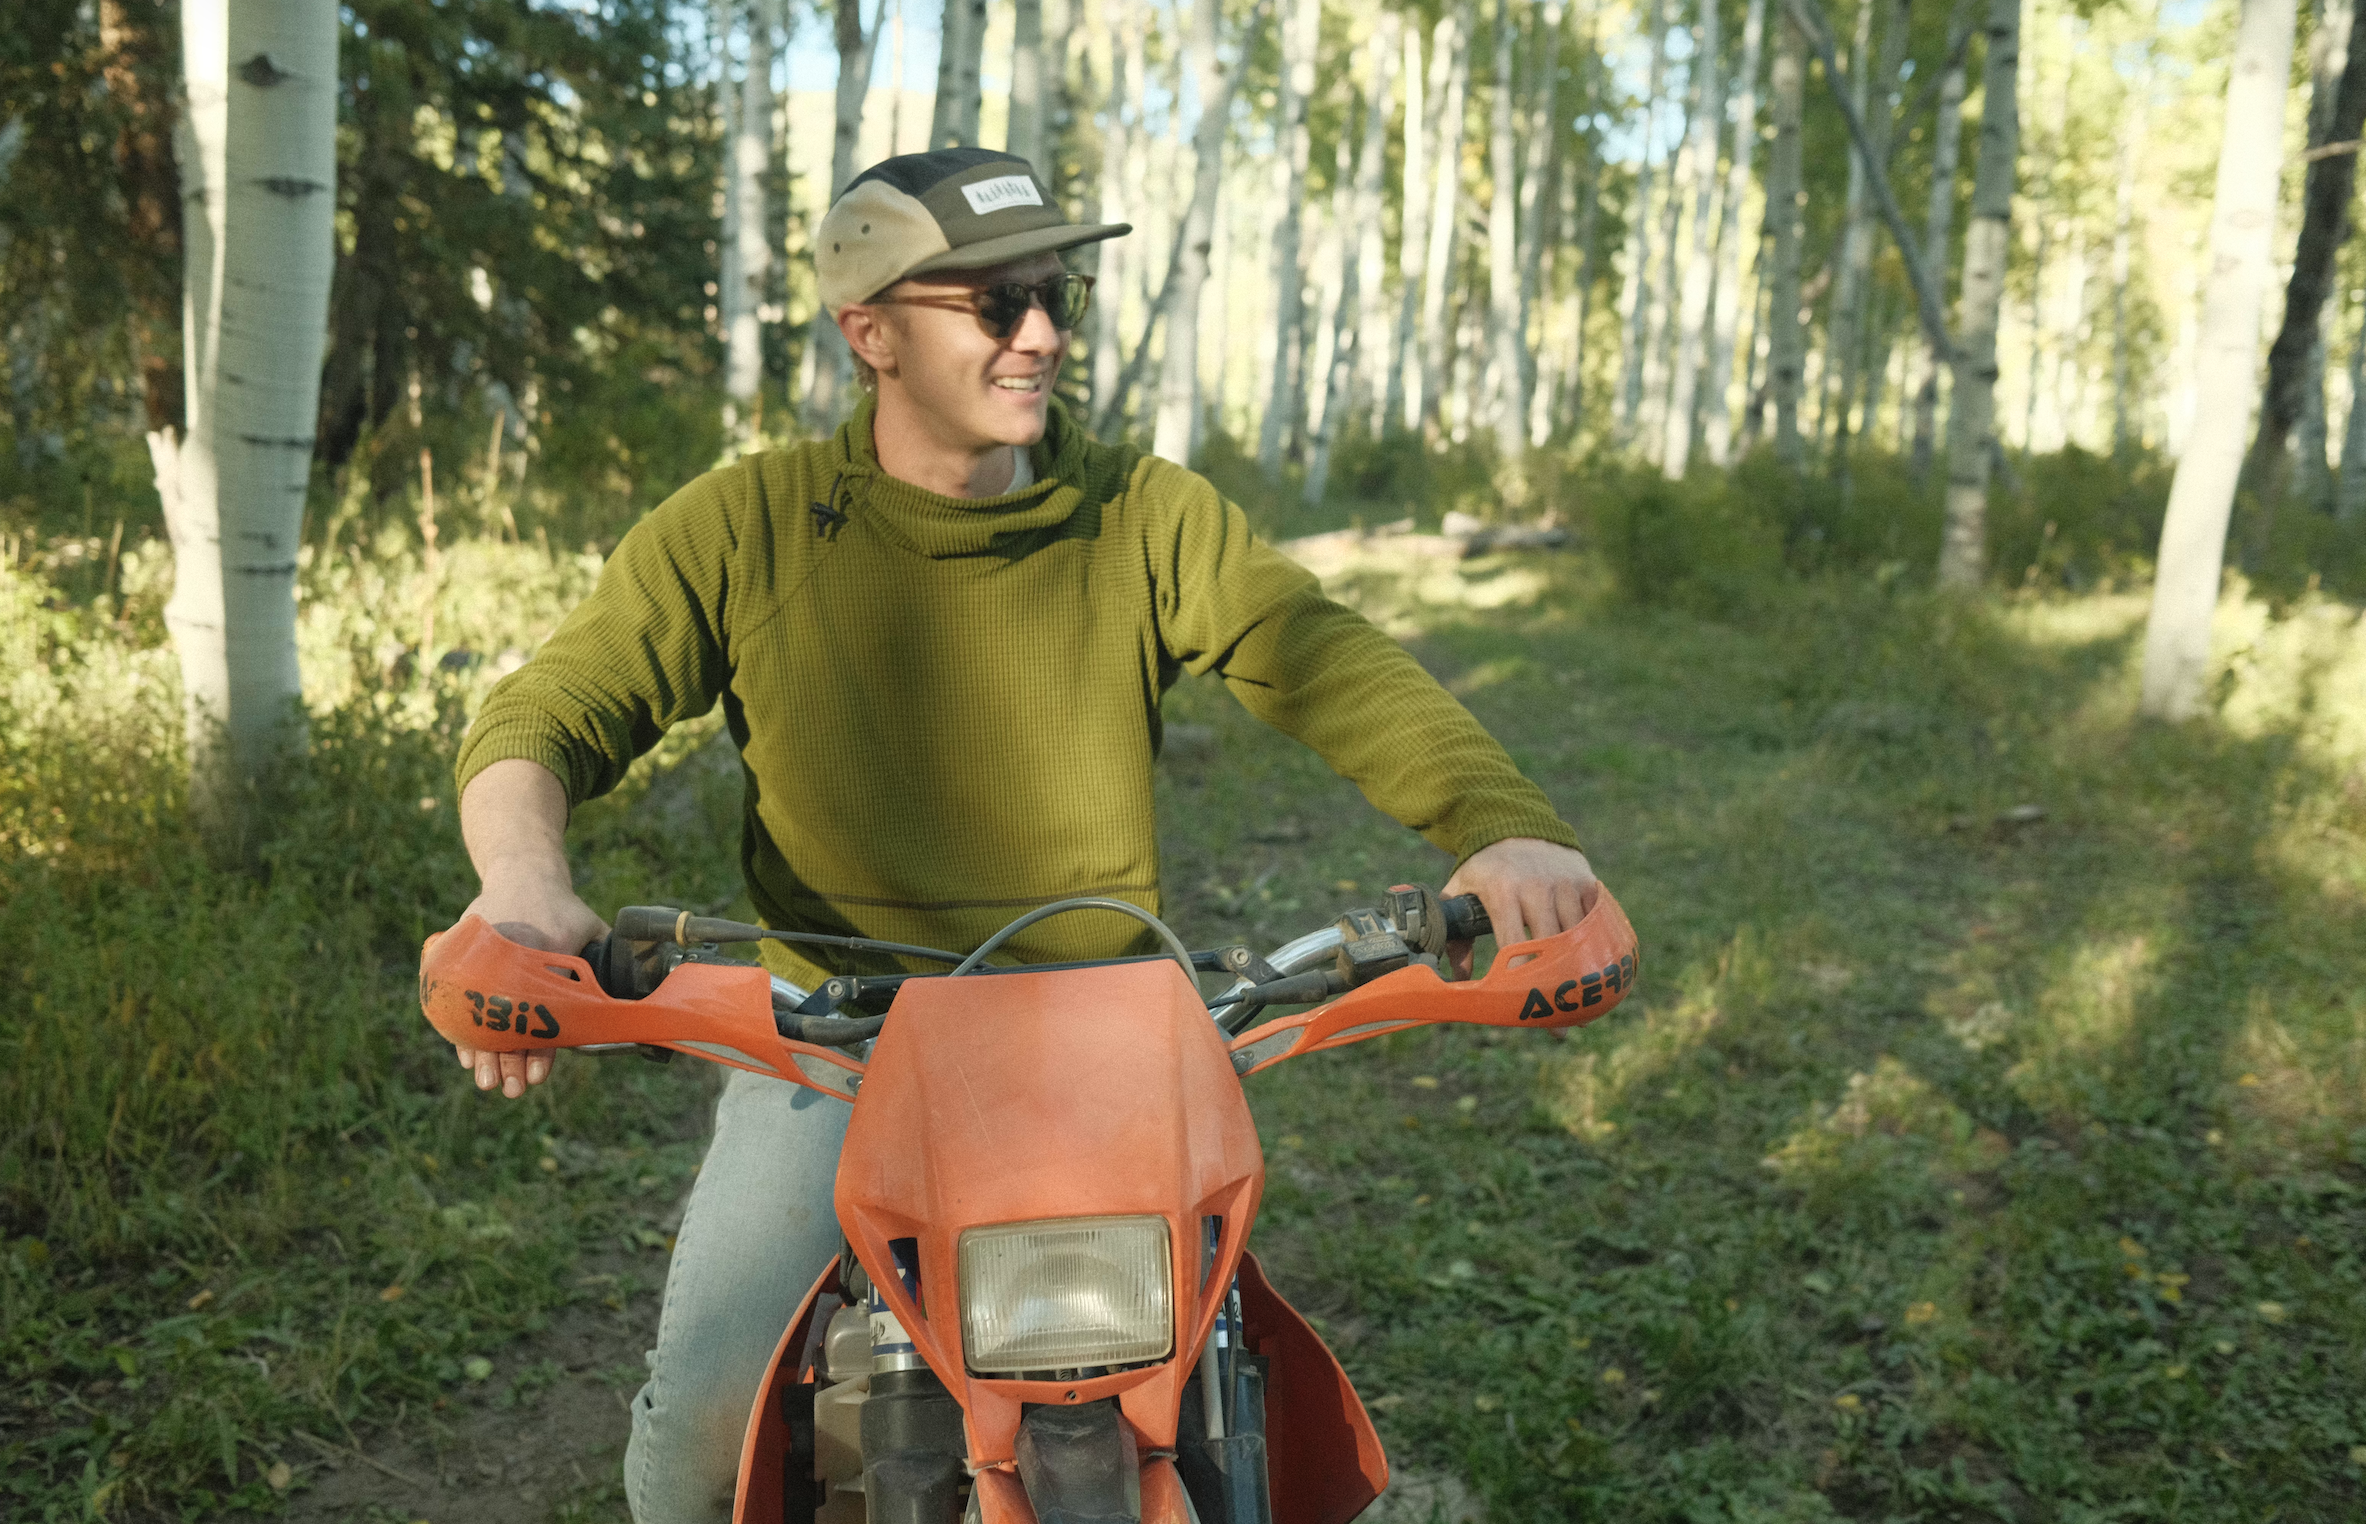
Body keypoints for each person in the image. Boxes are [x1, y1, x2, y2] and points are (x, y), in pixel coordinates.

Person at [446, 147, 1598, 1524]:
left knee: (1238, 1408)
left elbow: (1330, 662)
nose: (1041, 335)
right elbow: (553, 707)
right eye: (991, 306)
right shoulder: (744, 529)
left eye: (1054, 296)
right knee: (705, 1430)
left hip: (1103, 1040)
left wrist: (1502, 830)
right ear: (868, 333)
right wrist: (521, 886)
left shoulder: (1142, 517)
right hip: (835, 1042)